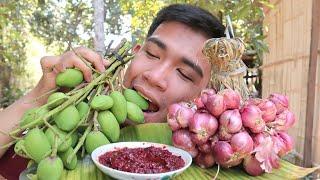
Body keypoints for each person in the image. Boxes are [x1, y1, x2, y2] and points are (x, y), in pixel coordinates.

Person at [0, 4, 225, 179]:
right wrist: (39, 96)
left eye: (184, 74)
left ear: (205, 96)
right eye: (152, 54)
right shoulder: (61, 128)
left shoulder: (205, 164)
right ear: (135, 53)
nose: (155, 77)